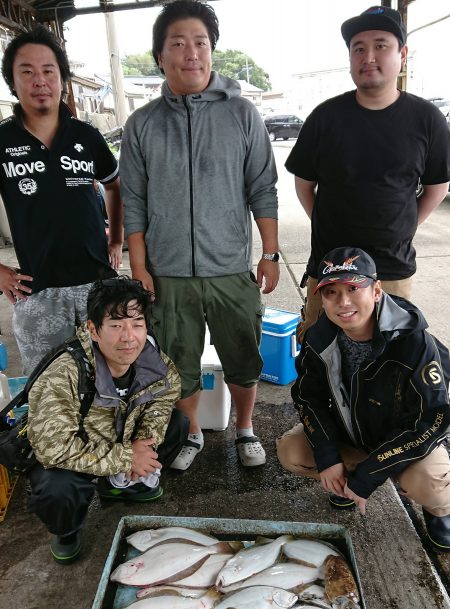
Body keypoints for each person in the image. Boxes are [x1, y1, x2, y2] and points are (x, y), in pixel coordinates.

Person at [119, 0, 280, 471]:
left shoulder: (243, 114)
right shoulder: (142, 124)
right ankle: (190, 431)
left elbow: (262, 188)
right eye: (178, 43)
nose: (191, 52)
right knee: (177, 364)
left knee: (243, 357)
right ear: (160, 56)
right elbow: (134, 202)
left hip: (231, 268)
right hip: (168, 274)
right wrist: (140, 265)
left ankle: (245, 429)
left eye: (201, 43)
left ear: (212, 52)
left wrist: (269, 252)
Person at [285, 6, 450, 341]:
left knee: (391, 365)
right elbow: (304, 184)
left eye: (381, 45)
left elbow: (437, 184)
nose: (368, 56)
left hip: (391, 270)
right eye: (358, 48)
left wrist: (404, 224)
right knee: (322, 361)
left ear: (402, 54)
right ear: (350, 58)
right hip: (330, 271)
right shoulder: (325, 117)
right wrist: (325, 222)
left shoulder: (427, 119)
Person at [276, 246, 450, 553]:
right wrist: (328, 457)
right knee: (292, 451)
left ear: (377, 290)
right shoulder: (319, 338)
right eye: (331, 292)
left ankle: (440, 512)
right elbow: (307, 398)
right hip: (353, 433)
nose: (343, 302)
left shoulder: (414, 340)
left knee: (432, 486)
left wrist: (370, 474)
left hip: (405, 442)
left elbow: (433, 418)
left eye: (354, 288)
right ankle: (346, 478)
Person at [27, 277, 187, 564]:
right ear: (93, 329)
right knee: (56, 487)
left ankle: (123, 486)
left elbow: (165, 397)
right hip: (80, 454)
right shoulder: (63, 373)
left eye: (136, 324)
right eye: (115, 325)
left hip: (122, 440)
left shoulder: (153, 359)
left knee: (177, 424)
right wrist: (127, 458)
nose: (128, 337)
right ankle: (66, 529)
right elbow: (53, 448)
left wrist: (144, 444)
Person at [0, 25, 124, 374]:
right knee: (48, 387)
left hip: (96, 285)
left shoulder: (87, 136)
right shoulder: (2, 141)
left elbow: (114, 186)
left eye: (48, 71)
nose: (39, 80)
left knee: (108, 378)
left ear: (62, 79)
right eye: (27, 71)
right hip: (36, 290)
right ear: (13, 81)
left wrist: (115, 238)